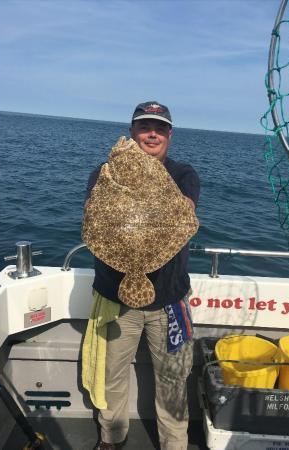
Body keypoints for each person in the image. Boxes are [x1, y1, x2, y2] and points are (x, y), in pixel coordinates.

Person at [84, 101, 200, 450]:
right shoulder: (105, 171)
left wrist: (148, 181)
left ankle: (174, 445)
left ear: (169, 135)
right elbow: (94, 218)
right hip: (114, 297)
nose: (152, 133)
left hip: (170, 301)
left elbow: (186, 214)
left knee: (173, 380)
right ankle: (111, 438)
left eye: (160, 128)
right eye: (144, 127)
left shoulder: (183, 174)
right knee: (111, 375)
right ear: (133, 131)